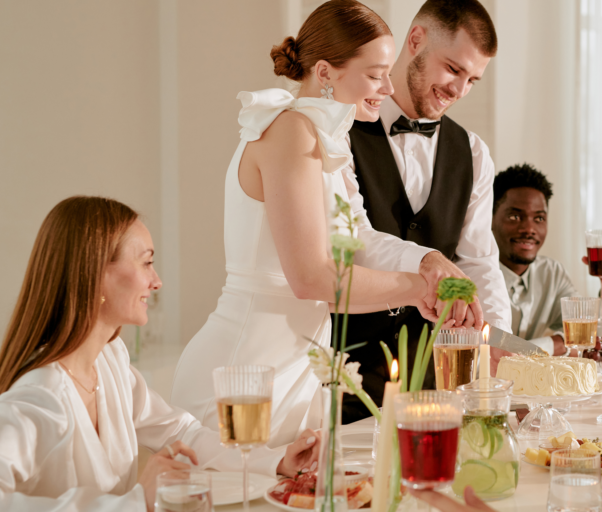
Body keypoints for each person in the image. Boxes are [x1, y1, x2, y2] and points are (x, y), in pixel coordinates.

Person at [171, 0, 473, 447]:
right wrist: (417, 289)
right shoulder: (291, 131)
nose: (388, 89)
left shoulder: (324, 138)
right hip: (247, 372)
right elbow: (311, 277)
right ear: (326, 72)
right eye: (375, 75)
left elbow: (360, 237)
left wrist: (429, 264)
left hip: (299, 367)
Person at [0, 197, 319, 512]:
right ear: (96, 273)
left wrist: (277, 461)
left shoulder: (109, 362)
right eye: (147, 262)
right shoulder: (39, 397)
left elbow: (180, 431)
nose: (157, 281)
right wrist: (134, 503)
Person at [342, 0, 511, 423]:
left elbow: (479, 261)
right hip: (346, 373)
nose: (459, 90)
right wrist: (426, 261)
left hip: (435, 380)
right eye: (453, 69)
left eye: (472, 79)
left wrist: (495, 343)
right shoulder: (341, 129)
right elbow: (351, 241)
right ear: (415, 39)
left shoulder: (473, 152)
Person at [491, 163, 602, 356]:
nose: (529, 229)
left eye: (539, 218)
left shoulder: (552, 273)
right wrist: (558, 343)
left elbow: (593, 335)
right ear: (489, 218)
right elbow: (489, 353)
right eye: (515, 216)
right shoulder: (470, 275)